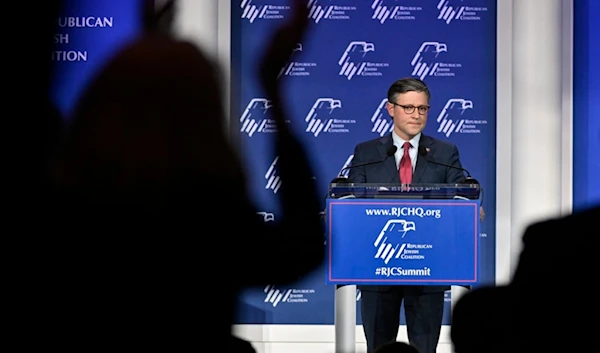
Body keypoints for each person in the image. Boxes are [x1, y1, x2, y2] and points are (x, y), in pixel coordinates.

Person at [348, 77, 467, 353]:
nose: (416, 115)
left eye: (423, 109)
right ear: (391, 109)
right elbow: (352, 199)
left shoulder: (445, 153)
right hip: (378, 266)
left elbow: (461, 194)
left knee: (425, 348)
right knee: (378, 347)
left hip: (427, 267)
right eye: (409, 108)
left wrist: (469, 204)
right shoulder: (366, 152)